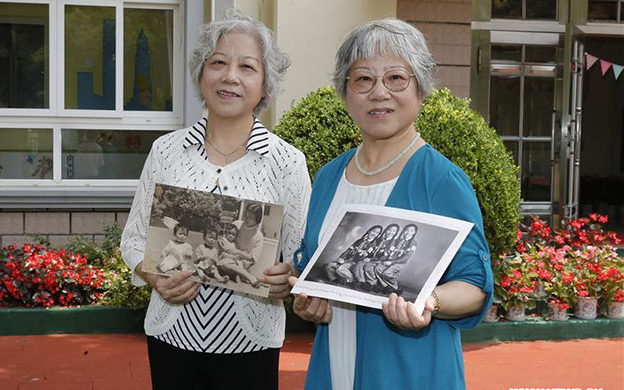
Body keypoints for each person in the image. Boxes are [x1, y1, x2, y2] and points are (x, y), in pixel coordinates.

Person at [289, 18, 493, 389]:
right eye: (363, 79)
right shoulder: (328, 177)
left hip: (409, 372)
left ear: (421, 89)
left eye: (396, 78)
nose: (379, 92)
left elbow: (475, 285)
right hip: (334, 366)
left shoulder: (441, 180)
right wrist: (309, 303)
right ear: (346, 91)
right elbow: (314, 269)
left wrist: (429, 301)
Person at [120, 9, 311, 390]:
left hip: (249, 343)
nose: (230, 76)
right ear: (200, 74)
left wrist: (287, 278)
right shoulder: (166, 151)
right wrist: (151, 274)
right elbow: (133, 239)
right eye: (218, 63)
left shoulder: (287, 162)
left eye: (247, 67)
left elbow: (301, 254)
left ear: (265, 85)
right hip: (171, 337)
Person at [376, 223, 419, 293]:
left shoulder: (413, 243)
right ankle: (386, 286)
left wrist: (392, 262)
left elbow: (406, 257)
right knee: (377, 268)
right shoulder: (397, 240)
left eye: (411, 231)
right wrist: (383, 252)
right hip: (390, 261)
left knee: (386, 274)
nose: (408, 232)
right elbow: (389, 250)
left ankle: (396, 287)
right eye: (406, 230)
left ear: (414, 232)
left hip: (399, 263)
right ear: (403, 231)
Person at [218, 220, 261, 287]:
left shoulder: (235, 244)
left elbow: (238, 254)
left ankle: (238, 275)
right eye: (229, 233)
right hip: (224, 264)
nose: (231, 236)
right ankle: (250, 277)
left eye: (233, 234)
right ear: (225, 233)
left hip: (234, 263)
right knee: (225, 263)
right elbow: (224, 253)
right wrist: (234, 257)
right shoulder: (223, 241)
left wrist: (240, 255)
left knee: (240, 263)